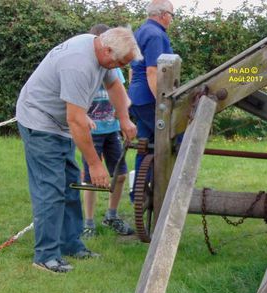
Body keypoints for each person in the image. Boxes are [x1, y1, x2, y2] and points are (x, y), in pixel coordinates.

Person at [16, 27, 142, 273]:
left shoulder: (99, 49)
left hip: (58, 123)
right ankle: (46, 256)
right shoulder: (79, 65)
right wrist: (95, 165)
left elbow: (115, 85)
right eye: (118, 61)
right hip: (39, 121)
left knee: (70, 184)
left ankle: (71, 245)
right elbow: (76, 120)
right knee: (50, 188)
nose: (118, 66)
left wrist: (125, 119)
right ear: (107, 50)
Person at [81, 24, 135, 238]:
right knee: (91, 180)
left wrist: (124, 114)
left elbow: (123, 96)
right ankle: (89, 222)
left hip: (111, 130)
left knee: (120, 175)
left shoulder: (114, 68)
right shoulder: (85, 67)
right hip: (90, 132)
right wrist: (83, 116)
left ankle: (111, 216)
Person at [128, 0, 175, 190]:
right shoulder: (155, 35)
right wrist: (163, 102)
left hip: (138, 97)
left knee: (145, 145)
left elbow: (132, 69)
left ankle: (139, 192)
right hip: (149, 99)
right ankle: (167, 189)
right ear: (163, 14)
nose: (172, 19)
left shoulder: (141, 31)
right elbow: (152, 72)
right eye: (172, 15)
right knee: (175, 139)